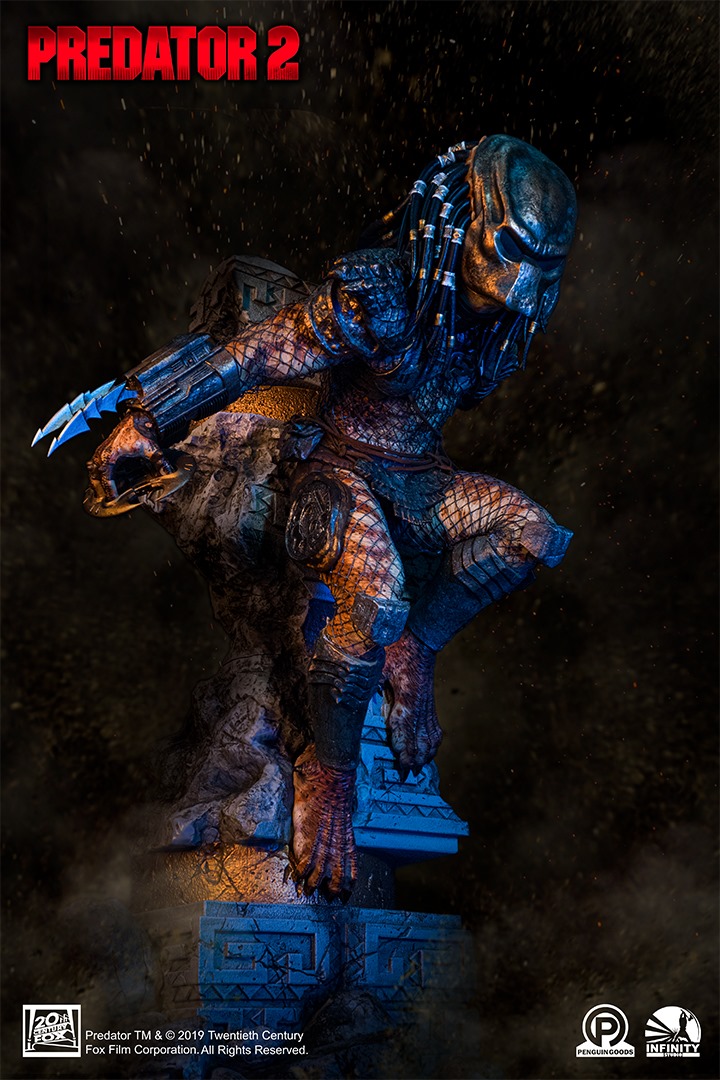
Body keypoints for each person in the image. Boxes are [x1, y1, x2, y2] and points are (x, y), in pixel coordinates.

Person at [34, 135, 577, 899]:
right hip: (336, 475)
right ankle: (329, 773)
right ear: (463, 218)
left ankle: (416, 650)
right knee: (378, 597)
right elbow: (257, 356)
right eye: (511, 249)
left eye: (544, 266)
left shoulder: (500, 327)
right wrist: (151, 421)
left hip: (424, 483)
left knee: (532, 535)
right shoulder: (379, 293)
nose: (522, 286)